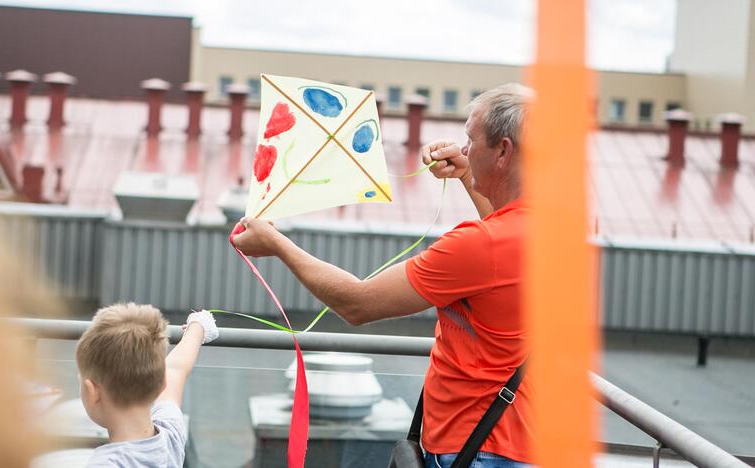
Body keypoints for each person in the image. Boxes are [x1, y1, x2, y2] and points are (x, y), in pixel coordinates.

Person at [232, 83, 534, 467]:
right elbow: (505, 239)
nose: (463, 150)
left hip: (479, 449)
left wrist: (277, 245)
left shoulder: (479, 245)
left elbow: (358, 304)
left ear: (503, 151)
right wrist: (468, 177)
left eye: (470, 141)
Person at [76, 304, 219, 468]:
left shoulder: (104, 464)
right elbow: (175, 370)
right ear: (161, 384)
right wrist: (198, 326)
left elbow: (173, 371)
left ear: (92, 392)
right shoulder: (170, 436)